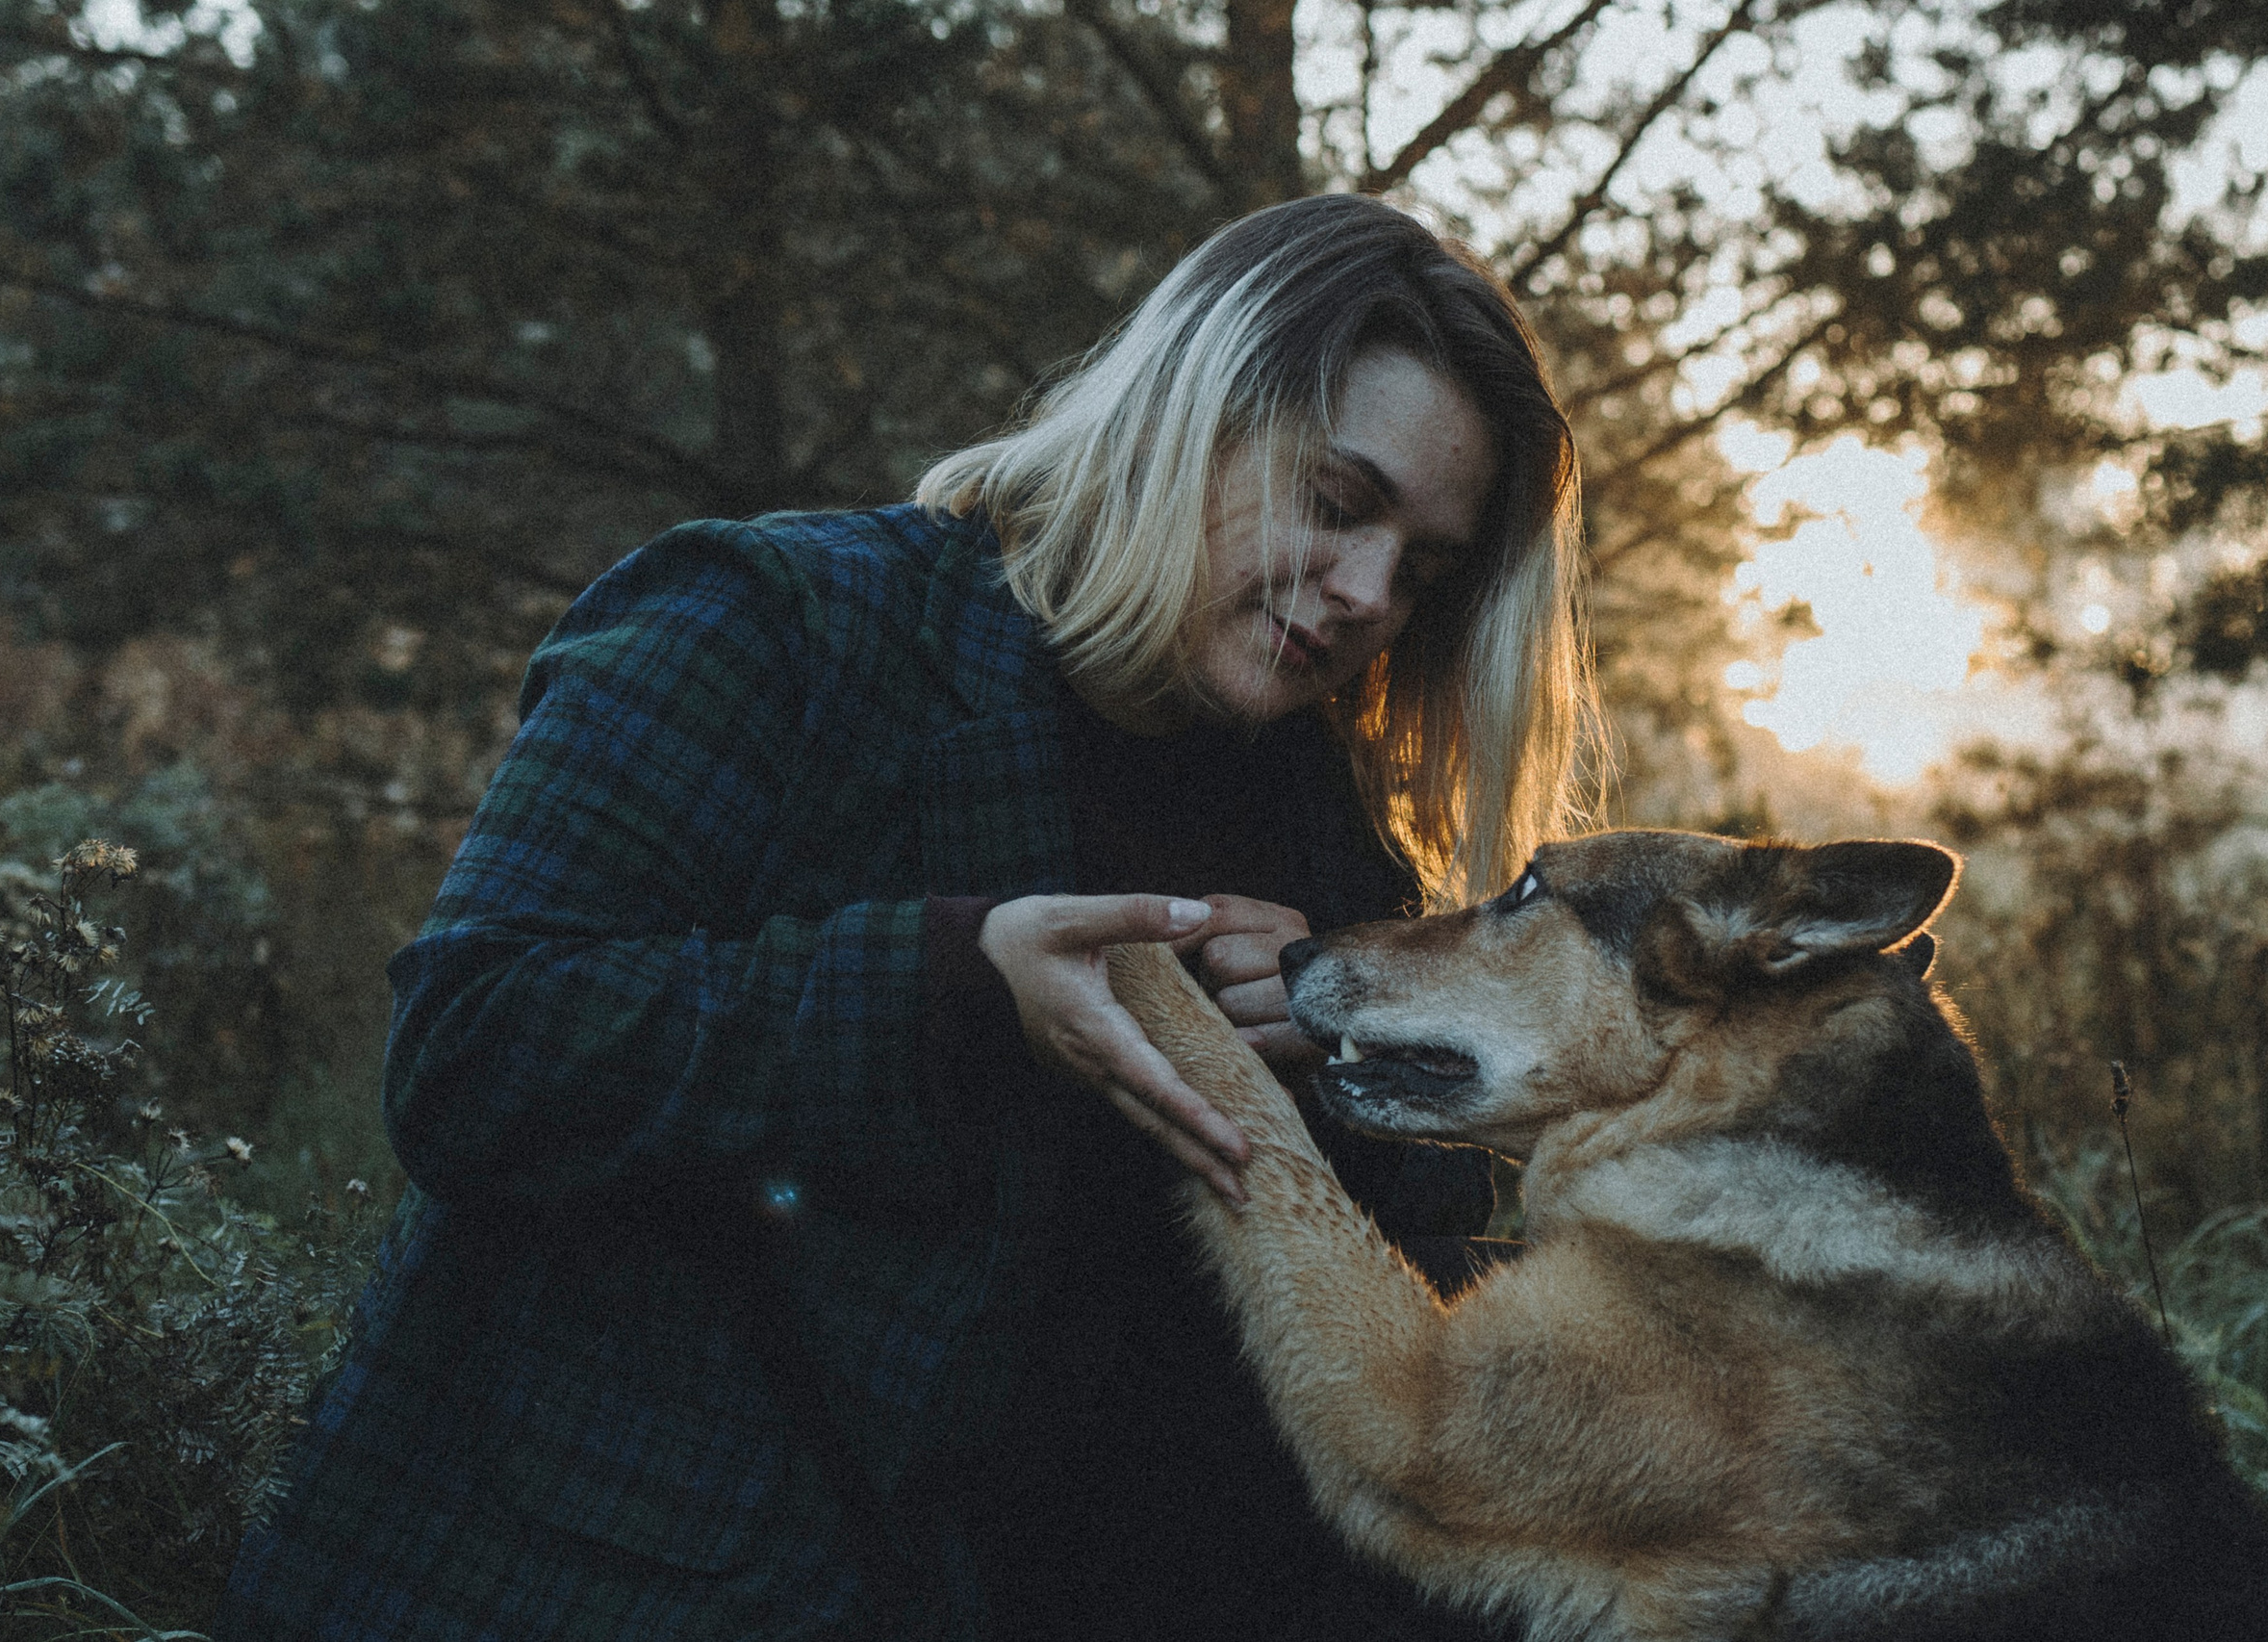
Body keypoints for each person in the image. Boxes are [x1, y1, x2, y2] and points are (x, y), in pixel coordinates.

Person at [216, 192, 1592, 1642]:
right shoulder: (773, 625)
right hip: (619, 1584)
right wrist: (953, 988)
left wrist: (1332, 1057)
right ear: (1193, 408)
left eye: (1424, 569)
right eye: (1334, 498)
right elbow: (473, 1051)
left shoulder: (1321, 822)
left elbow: (1404, 1261)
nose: (1369, 590)